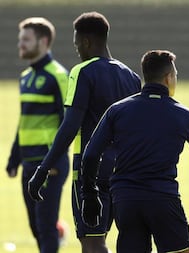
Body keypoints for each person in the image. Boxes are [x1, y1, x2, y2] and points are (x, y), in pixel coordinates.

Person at [79, 50, 189, 253]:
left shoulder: (117, 110)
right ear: (168, 77)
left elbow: (91, 155)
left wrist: (90, 195)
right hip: (162, 199)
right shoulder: (185, 115)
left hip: (125, 200)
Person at [27, 12, 142, 253]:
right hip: (124, 171)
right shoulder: (131, 77)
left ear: (87, 41)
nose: (77, 48)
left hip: (90, 172)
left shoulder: (82, 72)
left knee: (92, 244)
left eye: (77, 43)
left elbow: (70, 126)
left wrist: (43, 169)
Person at [5, 17, 70, 253]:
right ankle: (56, 236)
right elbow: (24, 121)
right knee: (36, 227)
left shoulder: (59, 75)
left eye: (26, 40)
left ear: (43, 41)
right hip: (28, 163)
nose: (20, 45)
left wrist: (54, 160)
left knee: (44, 226)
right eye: (20, 39)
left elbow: (68, 122)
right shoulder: (25, 77)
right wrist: (14, 158)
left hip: (49, 163)